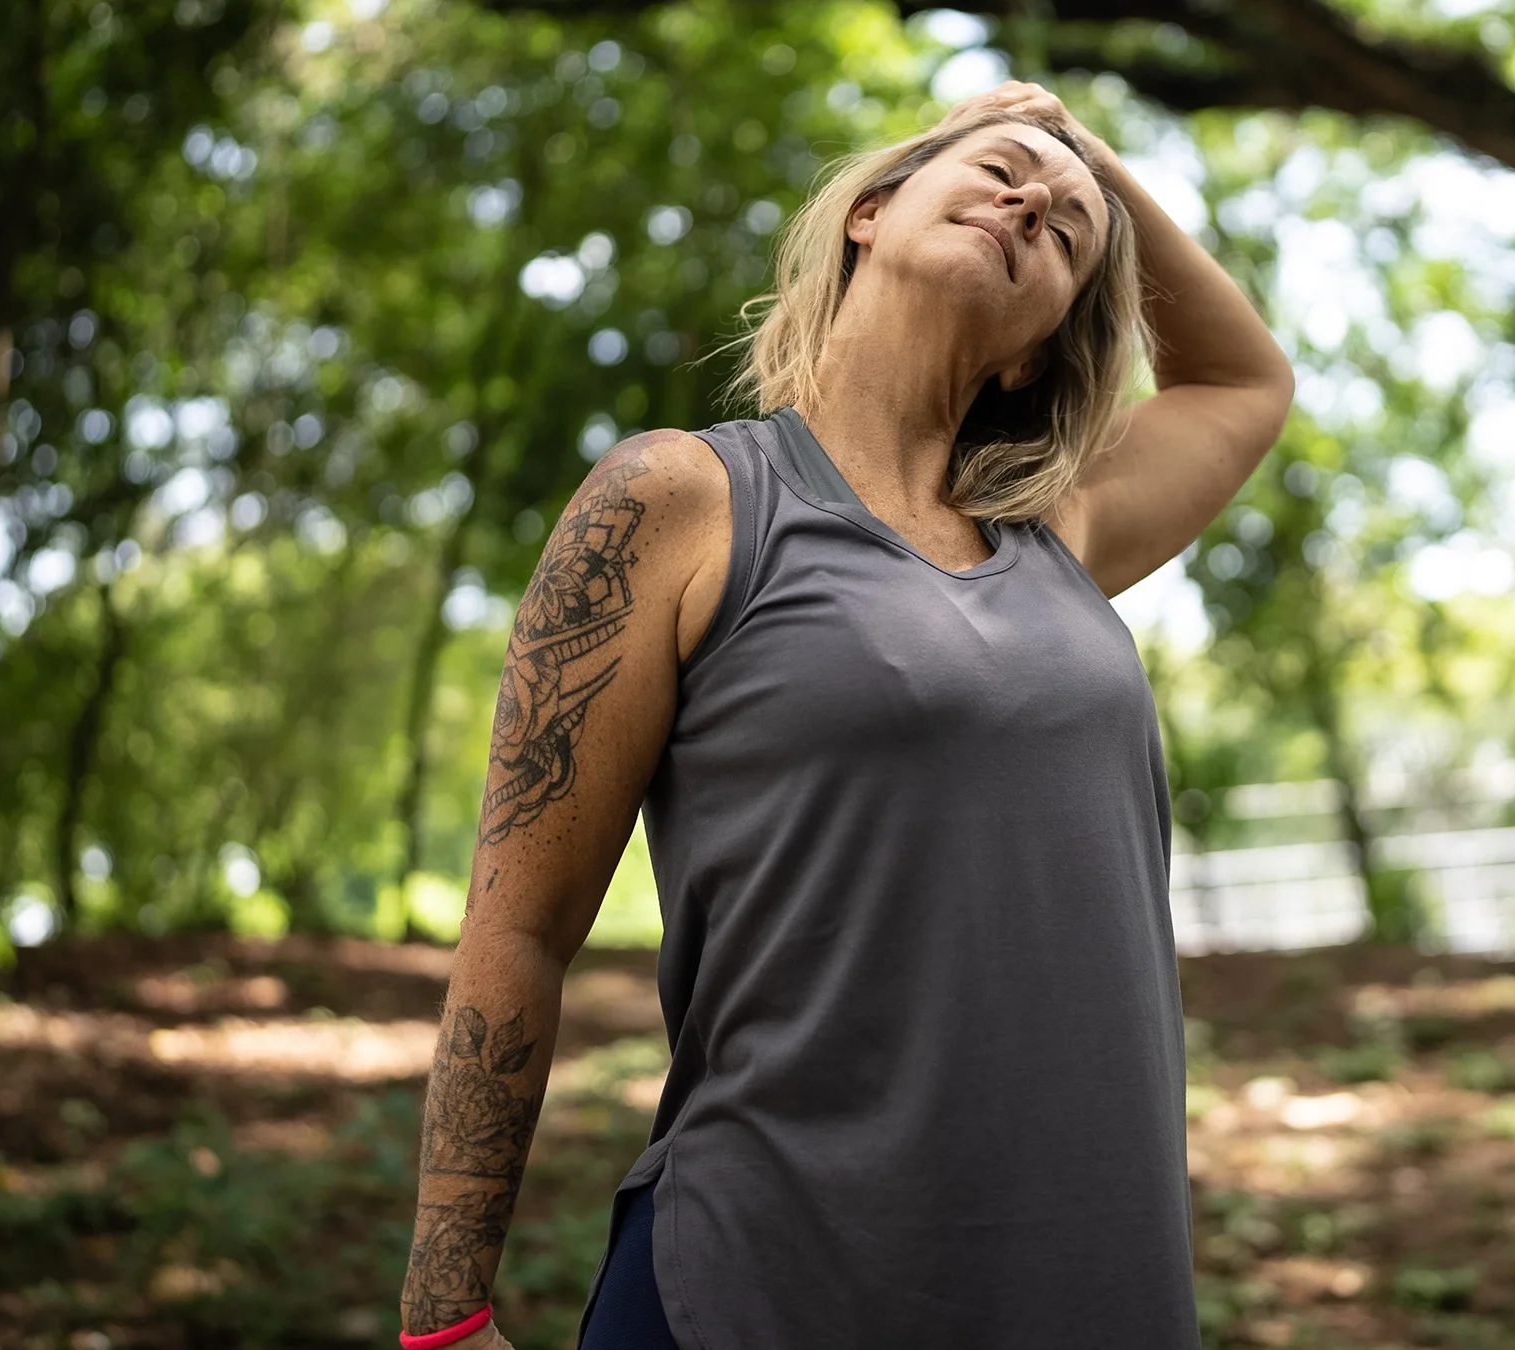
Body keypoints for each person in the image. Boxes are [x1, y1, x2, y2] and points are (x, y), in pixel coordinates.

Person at [395, 80, 1293, 1350]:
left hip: (1086, 1287)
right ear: (869, 211)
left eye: (1068, 232)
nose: (1031, 201)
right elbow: (520, 932)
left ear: (1036, 349)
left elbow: (1244, 379)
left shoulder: (1061, 534)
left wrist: (1081, 153)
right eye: (996, 168)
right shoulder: (684, 501)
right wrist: (444, 1314)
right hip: (768, 1280)